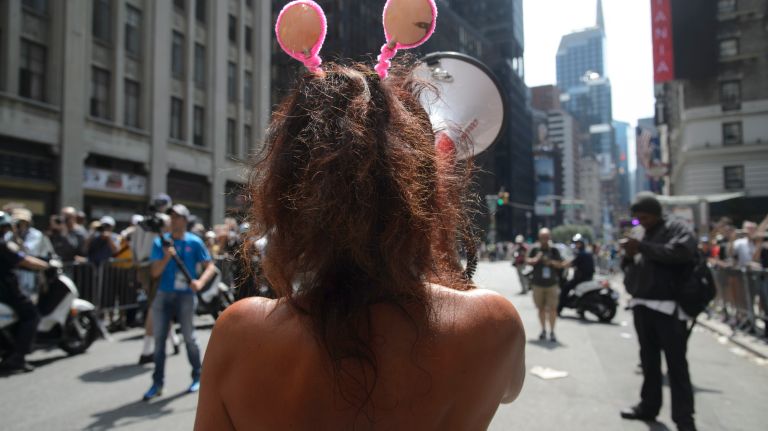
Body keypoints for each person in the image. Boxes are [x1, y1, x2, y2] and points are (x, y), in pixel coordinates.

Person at [193, 61, 526, 428]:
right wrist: (439, 244)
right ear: (423, 196)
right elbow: (509, 389)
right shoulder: (495, 323)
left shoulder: (240, 334)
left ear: (286, 195)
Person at [620, 193, 698, 431]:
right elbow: (629, 265)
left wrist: (642, 246)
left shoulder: (676, 228)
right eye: (637, 218)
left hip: (668, 309)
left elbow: (681, 252)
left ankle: (684, 420)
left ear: (655, 213)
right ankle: (649, 406)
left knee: (676, 366)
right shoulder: (640, 233)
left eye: (644, 217)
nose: (640, 222)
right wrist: (630, 255)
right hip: (643, 306)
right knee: (649, 361)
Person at [143, 204, 217, 400]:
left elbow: (210, 266)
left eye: (177, 217)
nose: (174, 220)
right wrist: (168, 256)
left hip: (186, 295)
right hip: (164, 294)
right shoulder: (162, 243)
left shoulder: (195, 242)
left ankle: (198, 376)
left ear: (185, 220)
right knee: (159, 341)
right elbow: (154, 272)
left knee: (189, 338)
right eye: (171, 217)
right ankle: (157, 383)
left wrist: (200, 282)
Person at [0, 211, 50, 373]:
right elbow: (24, 260)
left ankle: (9, 351)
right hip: (7, 290)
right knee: (31, 316)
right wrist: (46, 265)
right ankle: (18, 357)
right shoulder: (3, 245)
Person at [527, 228, 565, 342]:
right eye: (542, 237)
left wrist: (551, 262)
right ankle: (543, 330)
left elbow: (561, 264)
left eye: (547, 237)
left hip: (552, 284)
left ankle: (552, 331)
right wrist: (536, 259)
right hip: (537, 284)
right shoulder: (535, 248)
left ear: (549, 237)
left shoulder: (554, 250)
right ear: (539, 238)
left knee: (553, 309)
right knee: (541, 309)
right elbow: (527, 261)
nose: (545, 239)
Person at [7, 208, 54, 298]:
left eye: (22, 221)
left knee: (27, 295)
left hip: (29, 270)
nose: (20, 224)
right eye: (17, 222)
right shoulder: (9, 234)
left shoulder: (35, 234)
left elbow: (28, 251)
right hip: (14, 270)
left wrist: (16, 237)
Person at [558, 234, 595, 315]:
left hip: (581, 278)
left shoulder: (581, 254)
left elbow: (571, 263)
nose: (576, 245)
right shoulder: (585, 252)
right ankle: (580, 309)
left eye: (578, 243)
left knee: (565, 288)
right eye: (576, 243)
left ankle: (559, 308)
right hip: (587, 278)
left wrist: (560, 265)